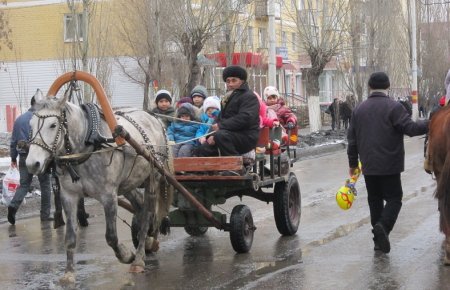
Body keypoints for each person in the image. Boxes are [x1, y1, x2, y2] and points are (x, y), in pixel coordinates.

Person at [347, 72, 429, 254]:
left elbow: (352, 140)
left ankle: (378, 241)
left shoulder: (358, 110)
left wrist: (353, 164)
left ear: (369, 86)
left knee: (374, 200)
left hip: (368, 165)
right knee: (394, 198)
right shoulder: (394, 108)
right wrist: (432, 123)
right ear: (388, 86)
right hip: (390, 165)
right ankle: (383, 227)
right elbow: (411, 129)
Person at [195, 65, 260, 157]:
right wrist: (210, 135)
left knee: (221, 136)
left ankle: (235, 168)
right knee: (202, 149)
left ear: (242, 81)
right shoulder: (227, 98)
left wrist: (221, 127)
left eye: (234, 80)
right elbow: (219, 118)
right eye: (228, 81)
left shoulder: (249, 97)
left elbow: (245, 117)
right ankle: (205, 171)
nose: (230, 84)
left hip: (246, 137)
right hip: (228, 136)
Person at [8, 96, 53, 225]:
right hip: (39, 157)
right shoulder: (42, 119)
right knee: (45, 186)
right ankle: (45, 215)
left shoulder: (19, 120)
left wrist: (13, 157)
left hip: (23, 157)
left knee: (24, 185)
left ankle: (13, 206)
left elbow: (13, 142)